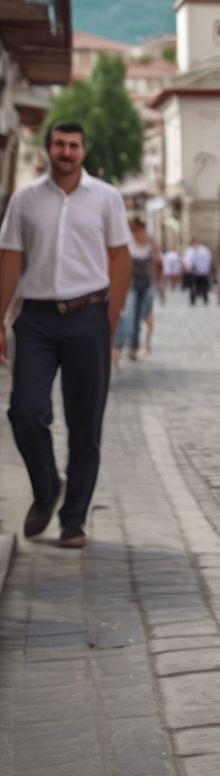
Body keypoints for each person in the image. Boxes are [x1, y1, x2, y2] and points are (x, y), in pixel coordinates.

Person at [0, 121, 131, 548]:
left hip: (87, 315)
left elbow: (120, 258)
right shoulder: (25, 200)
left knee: (85, 423)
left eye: (74, 145)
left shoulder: (107, 199)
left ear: (83, 149)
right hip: (35, 319)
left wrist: (109, 319)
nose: (67, 151)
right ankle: (46, 488)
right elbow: (10, 261)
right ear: (49, 148)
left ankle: (74, 520)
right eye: (60, 144)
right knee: (24, 409)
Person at [113, 216, 162, 367]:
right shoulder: (127, 242)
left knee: (142, 314)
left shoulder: (150, 242)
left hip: (147, 283)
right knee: (129, 315)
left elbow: (158, 263)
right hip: (131, 284)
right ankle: (122, 346)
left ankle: (133, 345)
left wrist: (160, 285)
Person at [183, 238, 212, 305]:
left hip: (203, 272)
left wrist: (206, 270)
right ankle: (193, 301)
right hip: (193, 272)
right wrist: (187, 268)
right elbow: (186, 261)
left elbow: (208, 260)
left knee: (204, 287)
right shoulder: (189, 251)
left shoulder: (204, 250)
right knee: (193, 287)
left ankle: (205, 300)